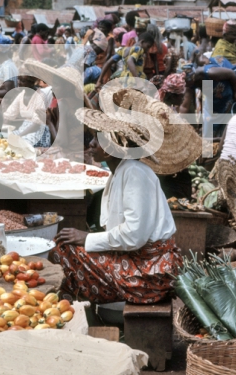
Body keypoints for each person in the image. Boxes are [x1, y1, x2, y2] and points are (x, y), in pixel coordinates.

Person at [50, 105, 181, 304]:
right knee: (64, 245)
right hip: (141, 261)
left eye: (97, 140)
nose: (92, 144)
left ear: (112, 149)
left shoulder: (134, 173)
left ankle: (73, 304)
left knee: (63, 251)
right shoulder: (123, 170)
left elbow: (134, 236)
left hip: (149, 272)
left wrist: (87, 237)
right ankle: (76, 302)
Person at [180, 56, 236, 137]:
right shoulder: (189, 84)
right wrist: (179, 123)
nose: (186, 87)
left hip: (228, 94)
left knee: (230, 124)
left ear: (193, 78)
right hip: (213, 100)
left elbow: (231, 74)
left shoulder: (210, 72)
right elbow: (185, 106)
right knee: (211, 126)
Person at [1, 75, 53, 147]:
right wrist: (3, 131)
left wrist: (19, 136)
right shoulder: (21, 95)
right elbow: (9, 115)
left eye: (23, 81)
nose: (19, 83)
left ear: (32, 83)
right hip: (24, 129)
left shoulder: (40, 96)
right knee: (2, 138)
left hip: (37, 132)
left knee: (18, 144)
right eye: (18, 80)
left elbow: (36, 124)